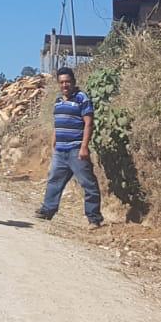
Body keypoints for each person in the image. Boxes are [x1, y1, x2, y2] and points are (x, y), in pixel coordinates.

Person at [35, 67, 104, 228]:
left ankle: (94, 218)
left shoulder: (82, 98)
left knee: (88, 184)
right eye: (61, 82)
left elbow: (88, 123)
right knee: (54, 181)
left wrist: (84, 147)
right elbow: (57, 125)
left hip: (76, 149)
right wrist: (53, 144)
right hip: (60, 150)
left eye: (67, 82)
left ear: (73, 82)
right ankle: (48, 210)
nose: (65, 85)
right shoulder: (58, 101)